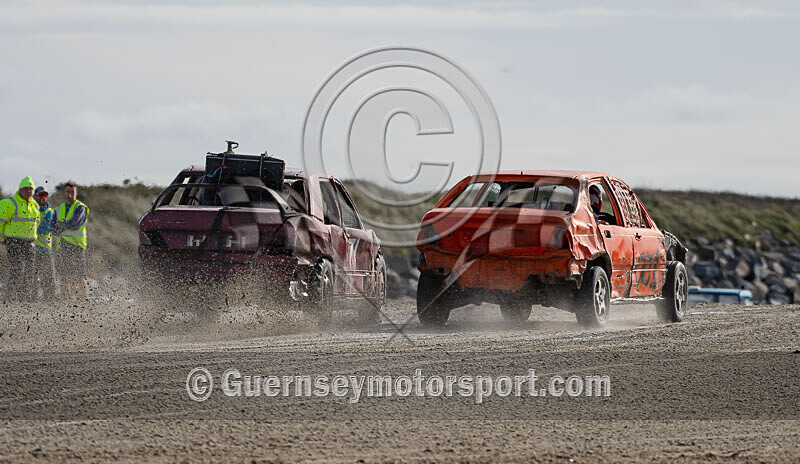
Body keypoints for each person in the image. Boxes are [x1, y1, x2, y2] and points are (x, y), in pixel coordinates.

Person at [0, 176, 41, 302]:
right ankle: (9, 297)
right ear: (20, 190)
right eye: (26, 188)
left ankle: (24, 298)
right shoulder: (10, 203)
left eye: (31, 189)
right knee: (17, 269)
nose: (28, 191)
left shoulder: (35, 206)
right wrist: (2, 238)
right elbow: (1, 222)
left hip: (29, 243)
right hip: (13, 241)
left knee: (29, 271)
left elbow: (36, 223)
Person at [52, 181, 89, 300]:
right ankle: (65, 301)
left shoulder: (80, 207)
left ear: (76, 193)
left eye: (72, 192)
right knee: (64, 276)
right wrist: (63, 225)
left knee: (80, 276)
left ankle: (83, 301)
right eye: (67, 192)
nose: (70, 194)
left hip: (77, 246)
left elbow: (75, 224)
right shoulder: (58, 209)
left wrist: (61, 224)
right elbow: (53, 229)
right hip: (62, 246)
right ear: (64, 193)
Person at [32, 186, 57, 300]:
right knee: (33, 277)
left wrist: (33, 229)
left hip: (46, 250)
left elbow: (46, 228)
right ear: (35, 196)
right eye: (40, 195)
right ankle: (32, 300)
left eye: (45, 195)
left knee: (49, 278)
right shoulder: (31, 209)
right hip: (33, 250)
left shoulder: (49, 212)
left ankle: (50, 300)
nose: (43, 197)